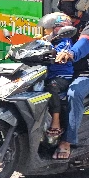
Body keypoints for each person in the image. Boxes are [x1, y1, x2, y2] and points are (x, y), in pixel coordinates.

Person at [52, 0, 89, 159]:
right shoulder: (59, 21)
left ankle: (67, 141)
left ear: (81, 0)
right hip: (61, 71)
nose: (62, 1)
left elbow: (86, 42)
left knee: (73, 93)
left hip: (85, 73)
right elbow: (46, 36)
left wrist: (71, 53)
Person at [38, 12, 74, 145]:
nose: (46, 32)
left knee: (51, 86)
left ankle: (56, 122)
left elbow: (56, 54)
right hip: (49, 75)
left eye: (48, 29)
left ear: (59, 29)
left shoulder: (65, 42)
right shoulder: (51, 40)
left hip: (62, 77)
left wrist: (46, 46)